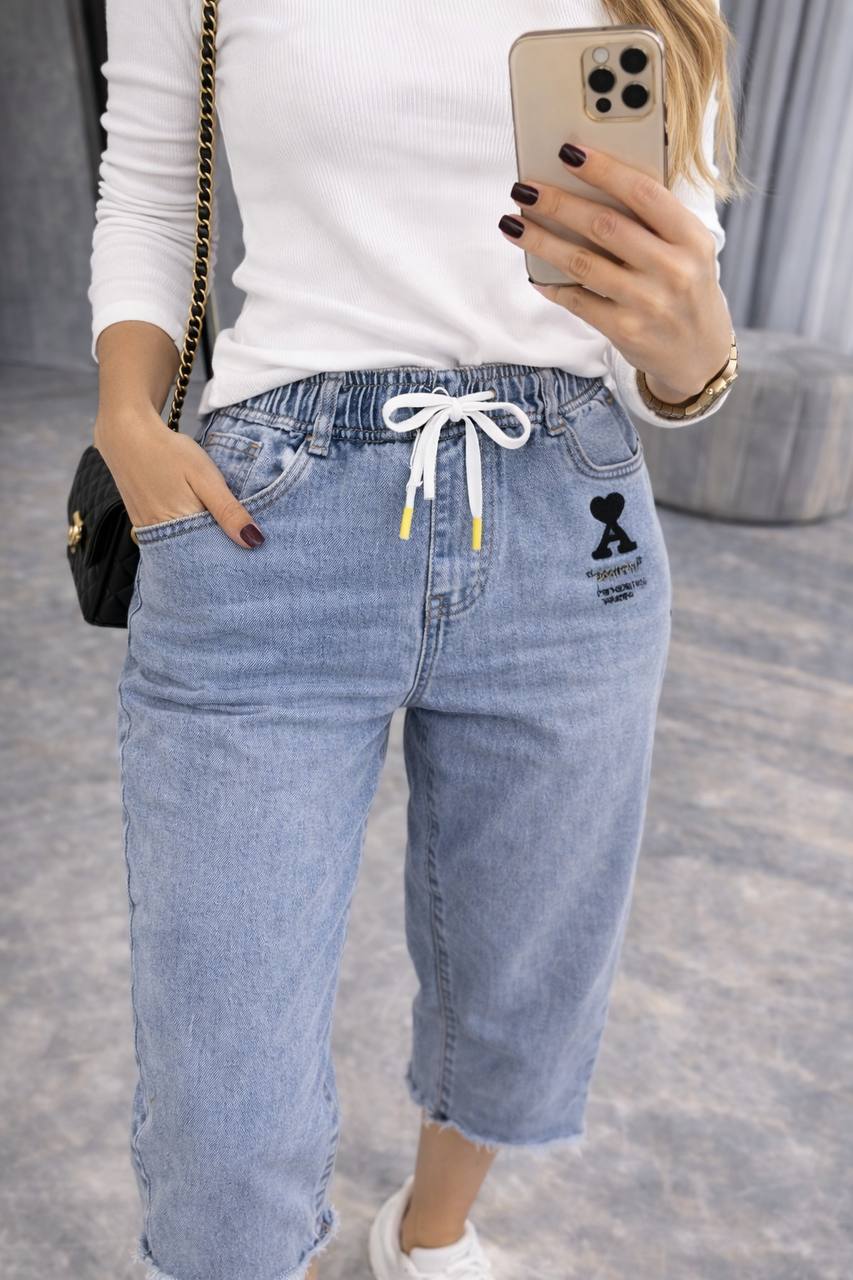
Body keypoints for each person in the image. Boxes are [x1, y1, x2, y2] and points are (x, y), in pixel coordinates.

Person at [89, 2, 741, 1278]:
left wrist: (695, 356)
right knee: (220, 1075)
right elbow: (153, 183)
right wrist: (128, 419)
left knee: (522, 970)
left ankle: (430, 1234)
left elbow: (674, 294)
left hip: (570, 515)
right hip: (268, 518)